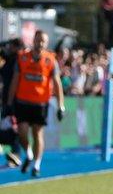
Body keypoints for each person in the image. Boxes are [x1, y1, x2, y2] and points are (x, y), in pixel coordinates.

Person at [6, 30, 65, 177]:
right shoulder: (23, 58)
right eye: (38, 40)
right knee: (22, 133)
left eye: (43, 41)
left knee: (37, 134)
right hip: (23, 101)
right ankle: (29, 154)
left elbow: (57, 83)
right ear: (34, 41)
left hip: (40, 103)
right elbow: (15, 80)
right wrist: (9, 101)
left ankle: (37, 165)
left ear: (46, 43)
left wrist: (61, 105)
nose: (40, 44)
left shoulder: (51, 60)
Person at [0, 38, 24, 167]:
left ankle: (16, 155)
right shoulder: (10, 61)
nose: (8, 49)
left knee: (13, 130)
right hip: (7, 101)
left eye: (11, 46)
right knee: (7, 128)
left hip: (16, 101)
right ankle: (15, 155)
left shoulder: (19, 61)